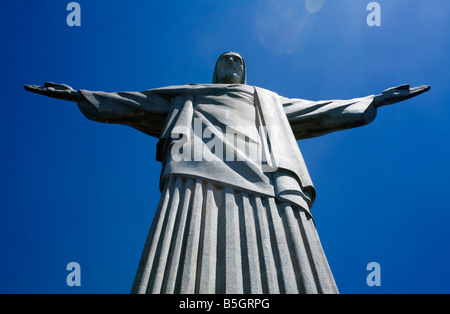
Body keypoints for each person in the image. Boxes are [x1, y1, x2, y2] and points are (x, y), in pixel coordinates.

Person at [25, 52, 430, 294]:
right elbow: (134, 103)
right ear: (216, 69)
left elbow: (317, 111)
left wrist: (372, 100)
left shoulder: (266, 101)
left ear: (245, 72)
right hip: (196, 171)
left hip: (268, 176)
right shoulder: (188, 95)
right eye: (226, 59)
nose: (232, 63)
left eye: (238, 60)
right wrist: (81, 94)